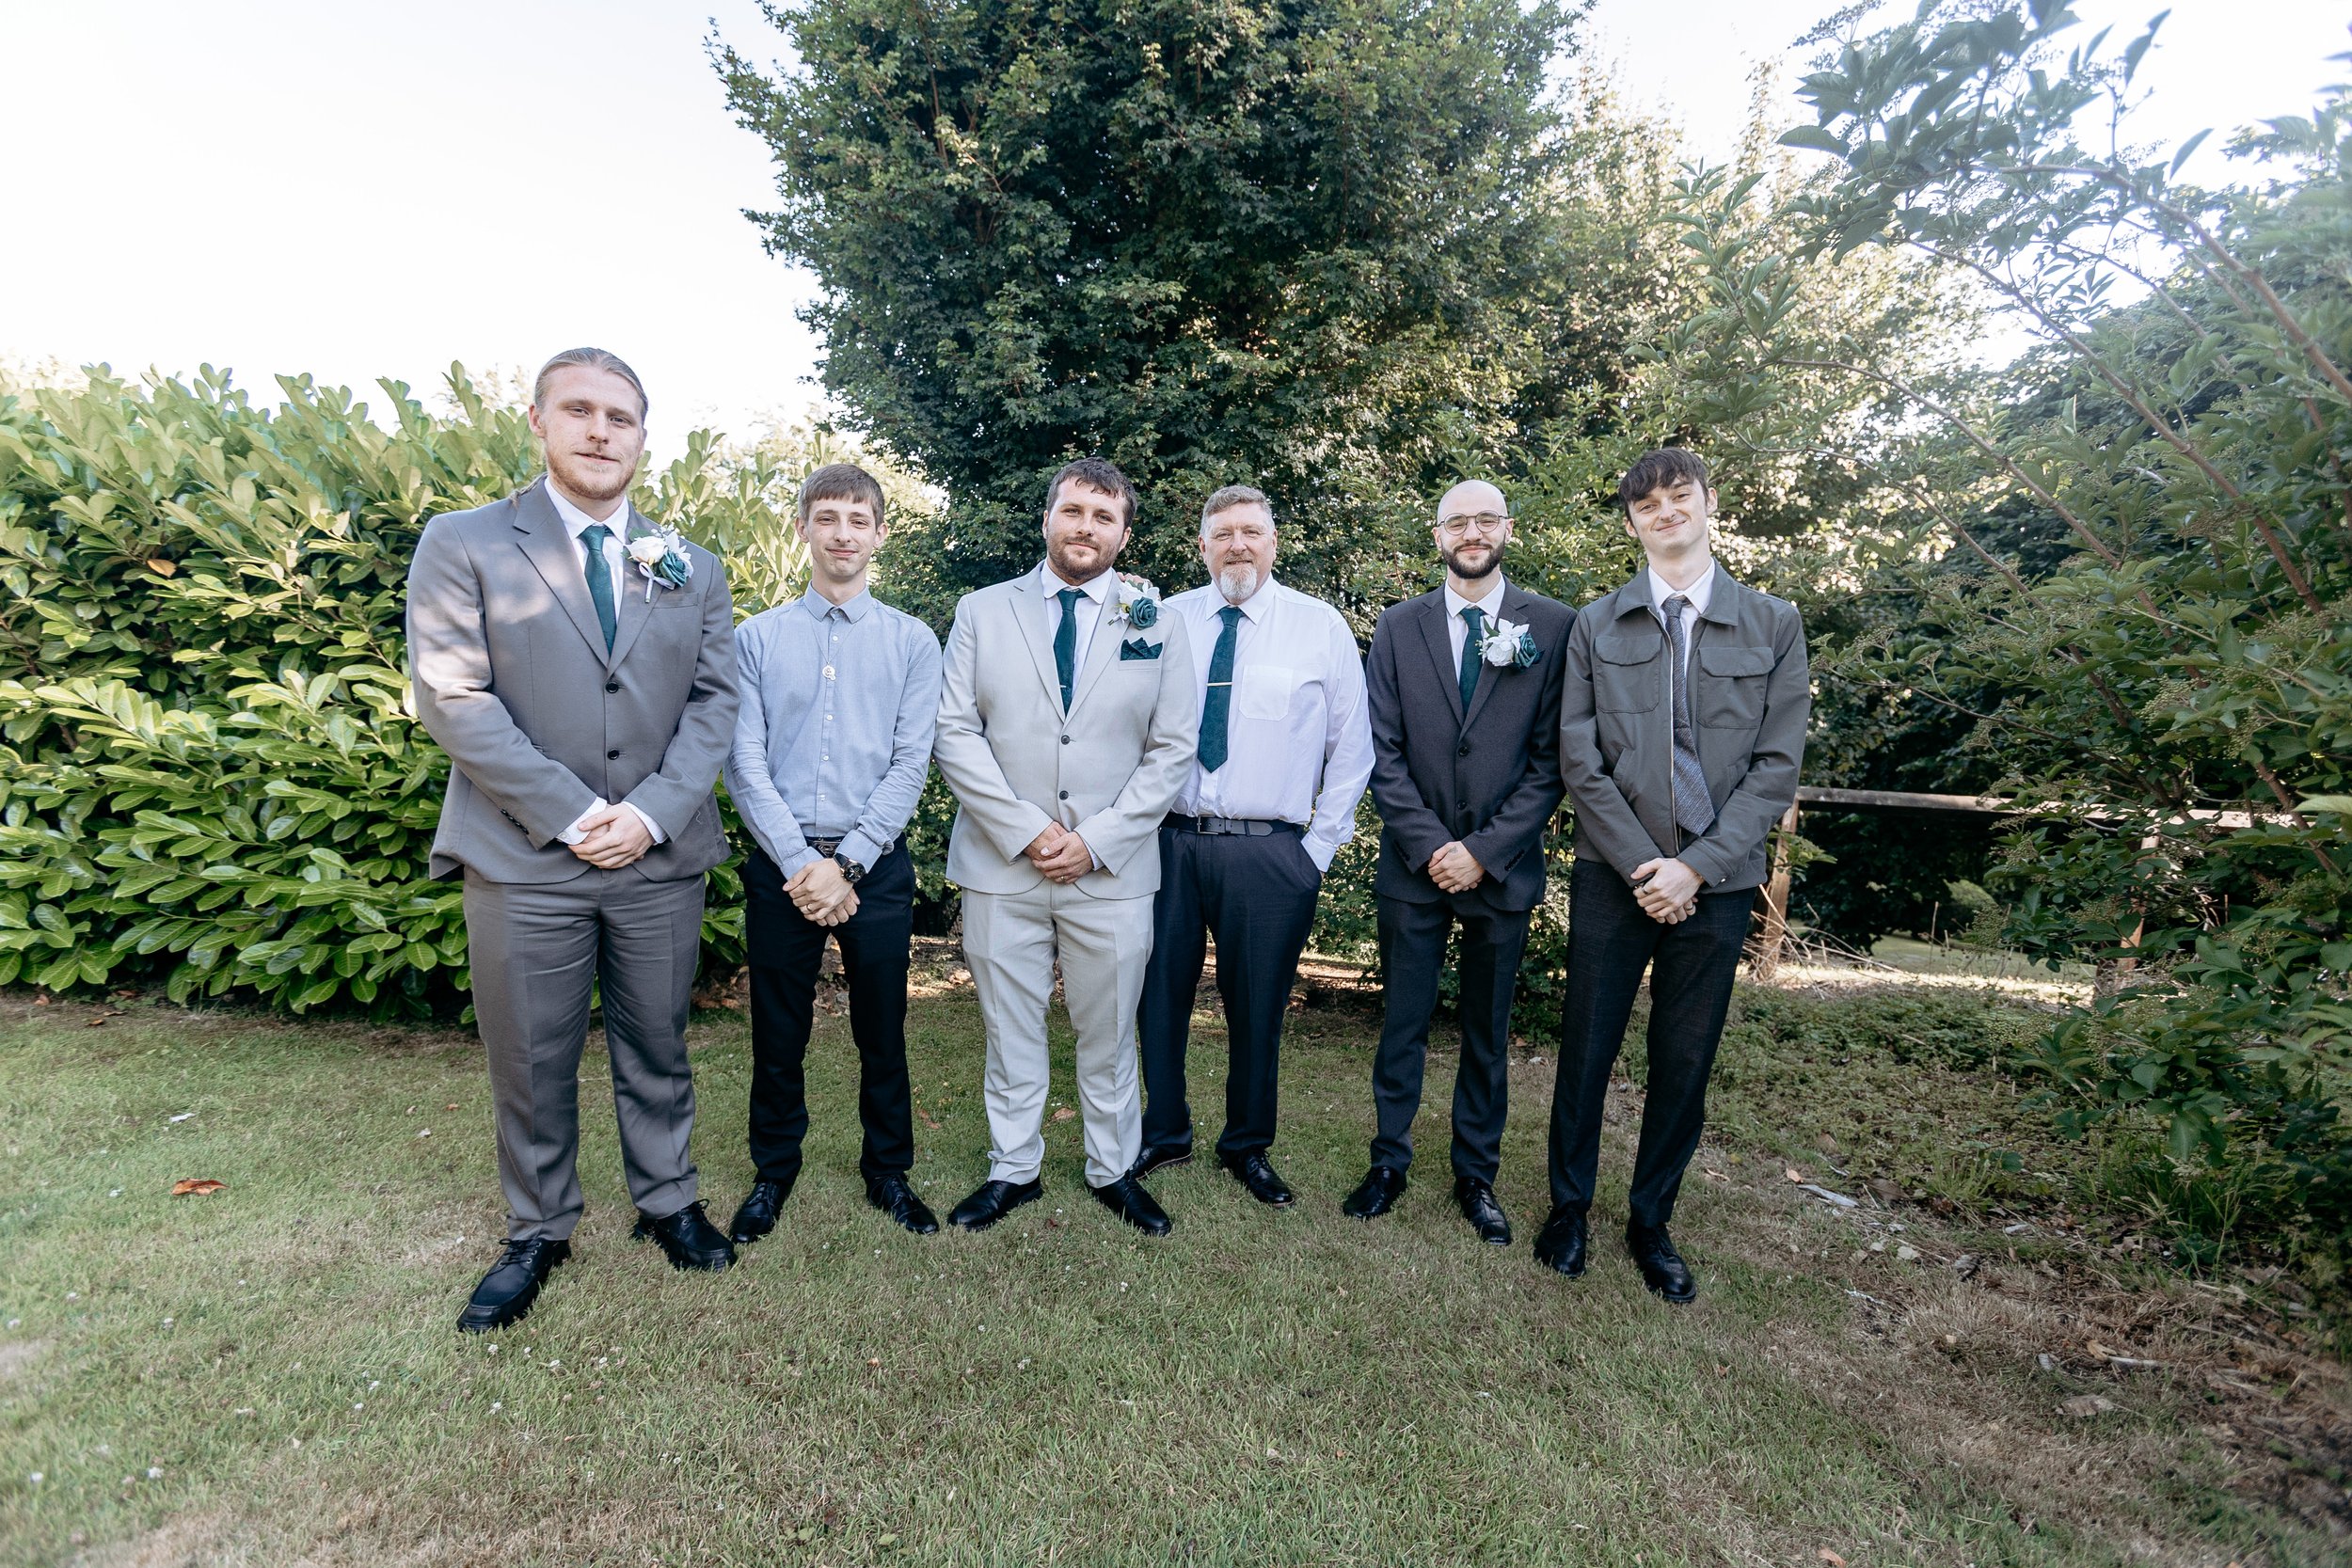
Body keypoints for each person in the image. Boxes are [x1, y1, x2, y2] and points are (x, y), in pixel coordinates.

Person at [407, 347, 741, 1334]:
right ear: (540, 422)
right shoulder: (463, 541)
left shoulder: (693, 565)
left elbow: (715, 701)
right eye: (580, 411)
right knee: (531, 1051)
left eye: (621, 417)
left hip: (657, 857)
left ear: (643, 435)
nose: (601, 431)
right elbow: (451, 694)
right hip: (522, 857)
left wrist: (645, 813)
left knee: (657, 1040)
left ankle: (670, 1199)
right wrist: (567, 810)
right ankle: (539, 1226)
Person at [1537, 448, 1809, 1303]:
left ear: (1708, 505)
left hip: (1718, 883)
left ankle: (1651, 1222)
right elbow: (1578, 756)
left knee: (1682, 1059)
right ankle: (1568, 1209)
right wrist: (1642, 863)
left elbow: (1775, 766)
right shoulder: (1597, 624)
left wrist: (1695, 866)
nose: (1664, 512)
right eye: (1646, 504)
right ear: (1631, 522)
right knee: (1585, 1047)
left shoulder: (1772, 622)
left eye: (1678, 496)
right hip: (1614, 873)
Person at [930, 458, 1199, 1235]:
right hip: (1000, 863)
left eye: (1103, 516)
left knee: (1110, 1030)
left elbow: (1172, 747)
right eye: (1073, 510)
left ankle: (1113, 1167)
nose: (1086, 527)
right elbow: (954, 730)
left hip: (1110, 871)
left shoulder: (1158, 620)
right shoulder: (982, 610)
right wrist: (1025, 828)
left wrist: (1094, 840)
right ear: (1047, 517)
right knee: (1009, 1026)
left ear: (1124, 532)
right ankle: (1013, 1169)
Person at [1129, 485, 1375, 1206]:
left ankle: (1246, 1144)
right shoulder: (1164, 618)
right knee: (1158, 996)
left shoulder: (1318, 626)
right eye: (1223, 533)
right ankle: (1164, 1128)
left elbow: (1351, 748)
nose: (1238, 544)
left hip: (1271, 853)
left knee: (1258, 1004)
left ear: (1274, 542)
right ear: (1202, 546)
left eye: (1251, 531)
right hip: (1168, 842)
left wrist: (1315, 853)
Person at [1345, 482, 1571, 1244]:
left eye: (1484, 520)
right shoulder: (1397, 626)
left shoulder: (1555, 625)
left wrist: (1481, 851)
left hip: (1501, 871)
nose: (1471, 533)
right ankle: (1388, 1162)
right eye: (1456, 522)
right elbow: (1382, 749)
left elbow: (1550, 763)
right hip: (1414, 867)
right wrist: (1431, 845)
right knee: (1401, 1024)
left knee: (1485, 1030)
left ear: (1506, 528)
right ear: (1436, 534)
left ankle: (1477, 1174)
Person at [723, 464, 944, 1244]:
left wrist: (845, 865)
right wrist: (799, 864)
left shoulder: (913, 642)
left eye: (858, 518)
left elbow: (910, 763)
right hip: (781, 865)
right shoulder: (754, 638)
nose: (842, 531)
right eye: (827, 517)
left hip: (873, 867)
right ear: (802, 528)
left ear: (880, 532)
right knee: (776, 1030)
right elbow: (742, 760)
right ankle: (773, 1172)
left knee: (882, 1029)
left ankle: (888, 1170)